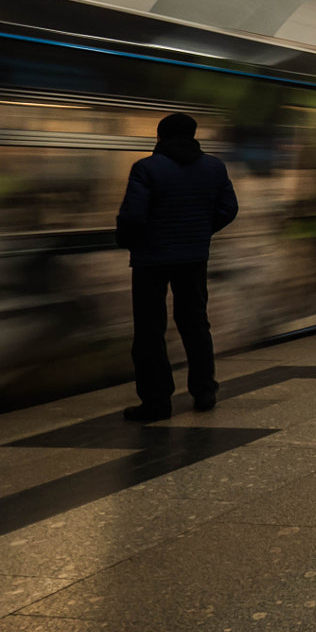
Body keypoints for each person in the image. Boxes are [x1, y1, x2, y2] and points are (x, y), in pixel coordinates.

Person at [115, 112, 238, 421]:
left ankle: (157, 402)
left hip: (151, 260)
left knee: (149, 330)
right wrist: (200, 231)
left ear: (160, 136)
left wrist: (131, 241)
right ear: (193, 135)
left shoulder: (146, 168)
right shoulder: (214, 167)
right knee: (195, 323)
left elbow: (132, 216)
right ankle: (204, 392)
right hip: (194, 257)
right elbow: (229, 208)